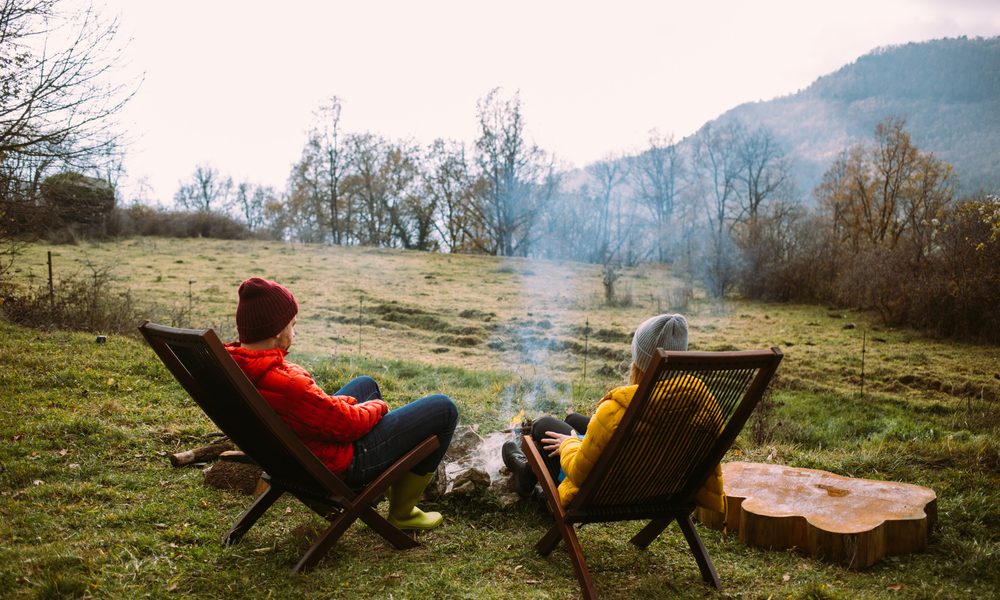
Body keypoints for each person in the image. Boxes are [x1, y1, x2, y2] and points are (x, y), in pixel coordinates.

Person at [225, 277, 458, 530]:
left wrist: (345, 405)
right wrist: (378, 406)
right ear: (278, 330)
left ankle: (394, 488)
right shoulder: (287, 383)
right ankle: (403, 512)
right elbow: (349, 424)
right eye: (293, 325)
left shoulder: (234, 367)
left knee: (364, 383)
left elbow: (316, 408)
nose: (295, 332)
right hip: (341, 464)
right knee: (443, 408)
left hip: (295, 458)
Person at [502, 313, 726, 514]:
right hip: (663, 489)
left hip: (607, 491)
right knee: (573, 420)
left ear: (639, 359)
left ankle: (526, 475)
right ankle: (535, 478)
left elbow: (581, 473)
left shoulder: (617, 411)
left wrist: (569, 444)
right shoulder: (704, 405)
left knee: (543, 426)